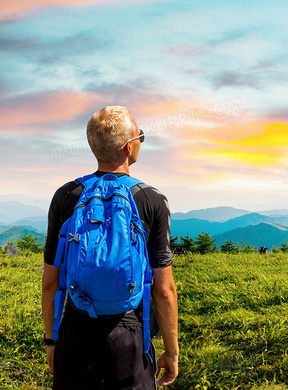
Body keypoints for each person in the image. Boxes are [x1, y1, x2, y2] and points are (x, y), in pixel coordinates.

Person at [41, 106, 179, 388]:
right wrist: (172, 352)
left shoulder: (67, 195)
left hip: (76, 328)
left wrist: (51, 340)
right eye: (141, 135)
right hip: (130, 333)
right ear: (129, 147)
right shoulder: (150, 199)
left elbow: (50, 282)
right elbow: (164, 289)